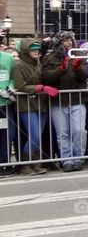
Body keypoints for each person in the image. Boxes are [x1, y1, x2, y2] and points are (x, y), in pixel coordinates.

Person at [40, 30, 88, 171]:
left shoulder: (78, 55)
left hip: (77, 99)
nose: (68, 43)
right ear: (59, 42)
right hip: (58, 101)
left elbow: (85, 75)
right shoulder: (50, 58)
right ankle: (66, 160)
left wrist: (78, 69)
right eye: (65, 40)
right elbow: (47, 77)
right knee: (63, 133)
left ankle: (78, 157)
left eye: (70, 40)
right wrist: (60, 70)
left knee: (79, 131)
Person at [13, 38, 55, 174]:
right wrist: (38, 88)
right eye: (33, 49)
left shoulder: (38, 64)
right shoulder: (19, 65)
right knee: (34, 136)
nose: (36, 51)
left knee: (38, 136)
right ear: (26, 51)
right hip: (26, 106)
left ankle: (35, 163)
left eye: (37, 49)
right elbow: (19, 86)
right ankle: (26, 165)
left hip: (40, 105)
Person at [0, 45, 16, 175]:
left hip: (5, 104)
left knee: (6, 135)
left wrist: (10, 88)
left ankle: (4, 164)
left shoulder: (8, 58)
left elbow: (12, 77)